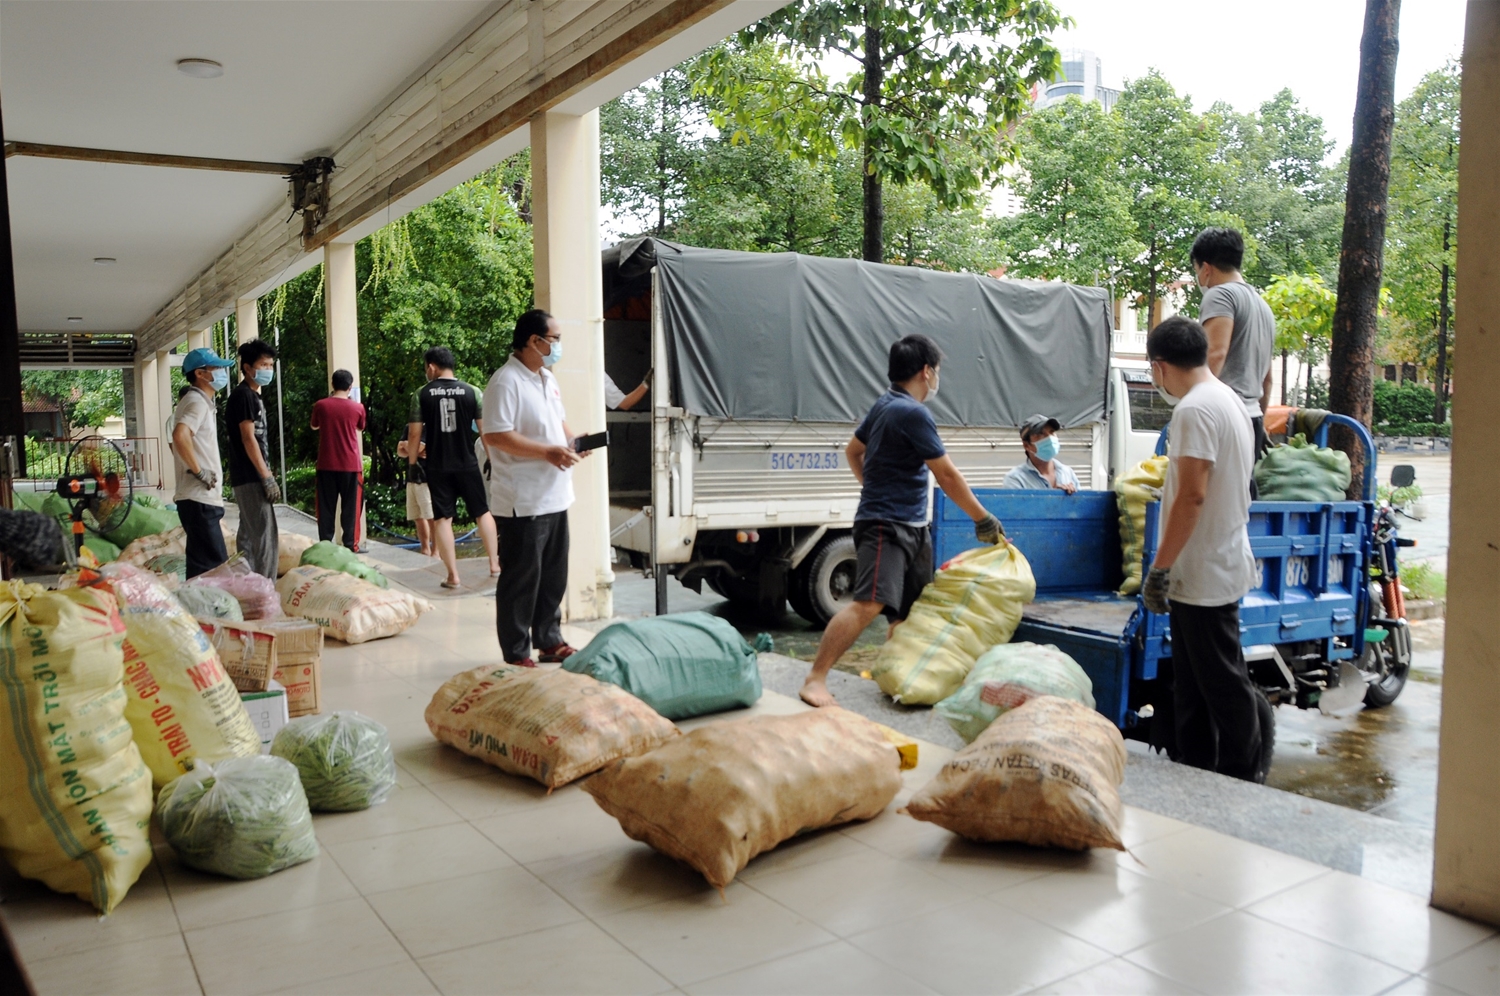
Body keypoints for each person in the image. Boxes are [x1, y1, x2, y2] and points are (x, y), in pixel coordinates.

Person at [800, 334, 1003, 708]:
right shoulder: (911, 412)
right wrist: (982, 517)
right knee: (869, 604)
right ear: (926, 371)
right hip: (886, 525)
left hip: (909, 524)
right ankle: (815, 678)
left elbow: (853, 451)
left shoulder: (884, 405)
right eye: (937, 370)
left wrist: (874, 484)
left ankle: (896, 675)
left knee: (909, 611)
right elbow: (947, 475)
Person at [1140, 316, 1264, 783]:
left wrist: (1160, 567)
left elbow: (1192, 495)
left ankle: (1241, 782)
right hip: (1212, 567)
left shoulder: (1194, 409)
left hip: (1204, 572)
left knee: (1224, 687)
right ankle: (1197, 781)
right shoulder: (1228, 399)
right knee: (1193, 689)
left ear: (1160, 366)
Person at [481, 309, 589, 667]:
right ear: (534, 341)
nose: (557, 345)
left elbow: (557, 423)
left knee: (553, 575)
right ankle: (516, 650)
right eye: (554, 339)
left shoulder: (545, 377)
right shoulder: (505, 381)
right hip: (523, 500)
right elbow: (496, 435)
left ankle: (549, 639)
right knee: (521, 579)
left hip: (556, 494)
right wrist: (547, 452)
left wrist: (574, 442)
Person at [408, 346, 500, 587]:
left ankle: (453, 576)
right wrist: (492, 459)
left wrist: (412, 463)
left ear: (431, 367)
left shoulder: (421, 394)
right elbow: (485, 430)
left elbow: (415, 434)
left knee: (443, 520)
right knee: (482, 512)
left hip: (438, 466)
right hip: (467, 464)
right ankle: (494, 564)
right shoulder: (472, 392)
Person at [1191, 227, 1275, 460]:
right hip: (1253, 418)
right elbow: (1267, 380)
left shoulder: (1220, 295)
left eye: (1197, 270)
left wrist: (1192, 407)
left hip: (1225, 418)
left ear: (1206, 268)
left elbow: (1215, 355)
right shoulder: (1262, 306)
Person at [171, 347, 235, 578]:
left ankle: (200, 610)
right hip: (199, 498)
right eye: (216, 368)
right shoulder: (196, 402)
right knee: (215, 568)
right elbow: (180, 435)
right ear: (200, 373)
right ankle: (211, 611)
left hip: (198, 499)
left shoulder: (198, 402)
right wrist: (199, 472)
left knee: (202, 567)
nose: (221, 372)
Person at [226, 340, 282, 579]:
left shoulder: (248, 396)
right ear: (248, 368)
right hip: (251, 477)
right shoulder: (245, 396)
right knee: (265, 538)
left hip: (246, 476)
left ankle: (246, 583)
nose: (268, 370)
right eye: (263, 364)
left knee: (248, 535)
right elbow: (249, 439)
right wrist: (266, 476)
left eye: (271, 365)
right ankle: (265, 589)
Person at [310, 369, 366, 551]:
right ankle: (350, 545)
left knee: (325, 508)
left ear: (332, 385)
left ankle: (325, 545)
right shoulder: (358, 408)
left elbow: (314, 425)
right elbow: (360, 427)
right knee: (351, 508)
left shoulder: (321, 405)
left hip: (326, 464)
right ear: (350, 387)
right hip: (351, 465)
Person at [1002, 414, 1080, 493]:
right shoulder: (1015, 479)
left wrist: (1071, 499)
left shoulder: (1067, 473)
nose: (1049, 438)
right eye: (1040, 434)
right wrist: (1056, 498)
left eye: (1051, 432)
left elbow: (1080, 503)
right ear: (1027, 445)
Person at [398, 437, 434, 557]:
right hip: (411, 478)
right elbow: (399, 451)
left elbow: (419, 448)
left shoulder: (427, 427)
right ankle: (425, 548)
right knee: (417, 516)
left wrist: (407, 446)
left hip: (426, 478)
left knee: (431, 516)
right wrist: (413, 449)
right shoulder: (408, 427)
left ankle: (436, 551)